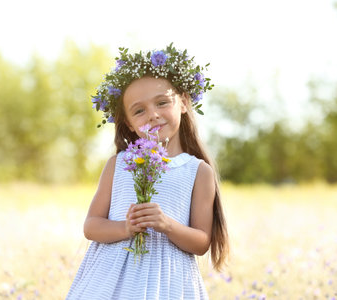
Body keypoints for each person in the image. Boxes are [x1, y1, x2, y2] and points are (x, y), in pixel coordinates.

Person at [66, 43, 229, 300]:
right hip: (110, 279)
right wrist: (126, 227)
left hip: (166, 283)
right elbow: (91, 225)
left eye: (162, 102)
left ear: (184, 102)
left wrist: (166, 224)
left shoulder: (198, 171)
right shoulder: (118, 164)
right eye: (139, 110)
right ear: (129, 123)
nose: (152, 115)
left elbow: (201, 242)